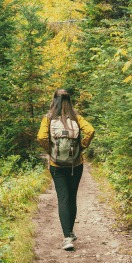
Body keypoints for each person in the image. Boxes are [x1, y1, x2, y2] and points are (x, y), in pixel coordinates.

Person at [37, 89, 95, 251]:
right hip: (76, 164)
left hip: (56, 165)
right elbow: (90, 131)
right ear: (69, 101)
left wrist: (50, 152)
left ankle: (67, 238)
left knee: (62, 197)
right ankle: (70, 230)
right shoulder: (76, 117)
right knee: (72, 196)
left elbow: (41, 137)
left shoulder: (48, 118)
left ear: (54, 100)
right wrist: (81, 147)